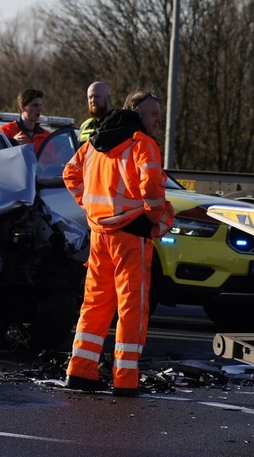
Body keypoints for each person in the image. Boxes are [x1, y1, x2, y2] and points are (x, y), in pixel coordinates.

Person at [62, 90, 175, 397]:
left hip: (100, 234)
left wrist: (90, 207)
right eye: (154, 114)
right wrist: (155, 216)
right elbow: (152, 186)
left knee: (95, 303)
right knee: (132, 306)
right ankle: (125, 379)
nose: (158, 120)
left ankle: (80, 370)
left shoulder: (95, 143)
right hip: (131, 235)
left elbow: (70, 174)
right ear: (138, 114)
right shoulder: (141, 143)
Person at [0, 88, 49, 155]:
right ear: (22, 107)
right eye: (35, 105)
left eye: (40, 105)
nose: (40, 109)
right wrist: (12, 142)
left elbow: (51, 160)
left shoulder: (46, 136)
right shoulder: (5, 131)